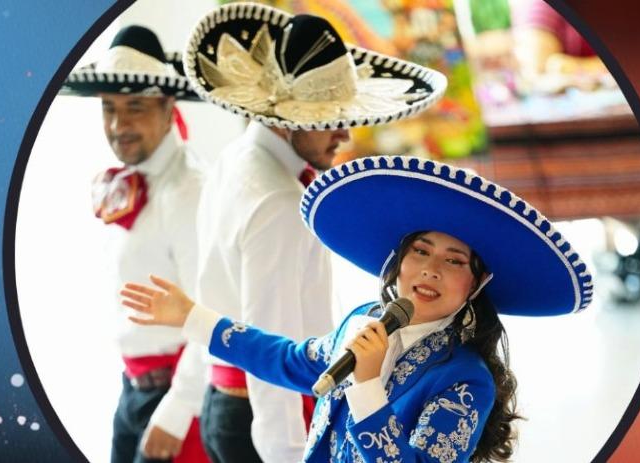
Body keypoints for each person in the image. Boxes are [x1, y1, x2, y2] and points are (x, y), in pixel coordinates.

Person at [120, 155, 593, 462]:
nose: (430, 271)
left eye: (453, 261)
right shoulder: (362, 320)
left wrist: (367, 385)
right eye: (421, 252)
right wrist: (191, 316)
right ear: (398, 260)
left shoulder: (466, 379)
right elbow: (288, 359)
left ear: (476, 285)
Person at [181, 3, 447, 462]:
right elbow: (272, 345)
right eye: (330, 119)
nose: (344, 134)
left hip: (229, 403)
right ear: (287, 119)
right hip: (263, 416)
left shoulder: (236, 158)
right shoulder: (278, 203)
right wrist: (286, 453)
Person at [61, 25, 209, 463]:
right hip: (133, 389)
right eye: (109, 108)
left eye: (135, 108)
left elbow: (215, 309)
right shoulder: (132, 182)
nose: (117, 125)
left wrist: (178, 410)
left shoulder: (191, 192)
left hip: (178, 396)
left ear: (168, 109)